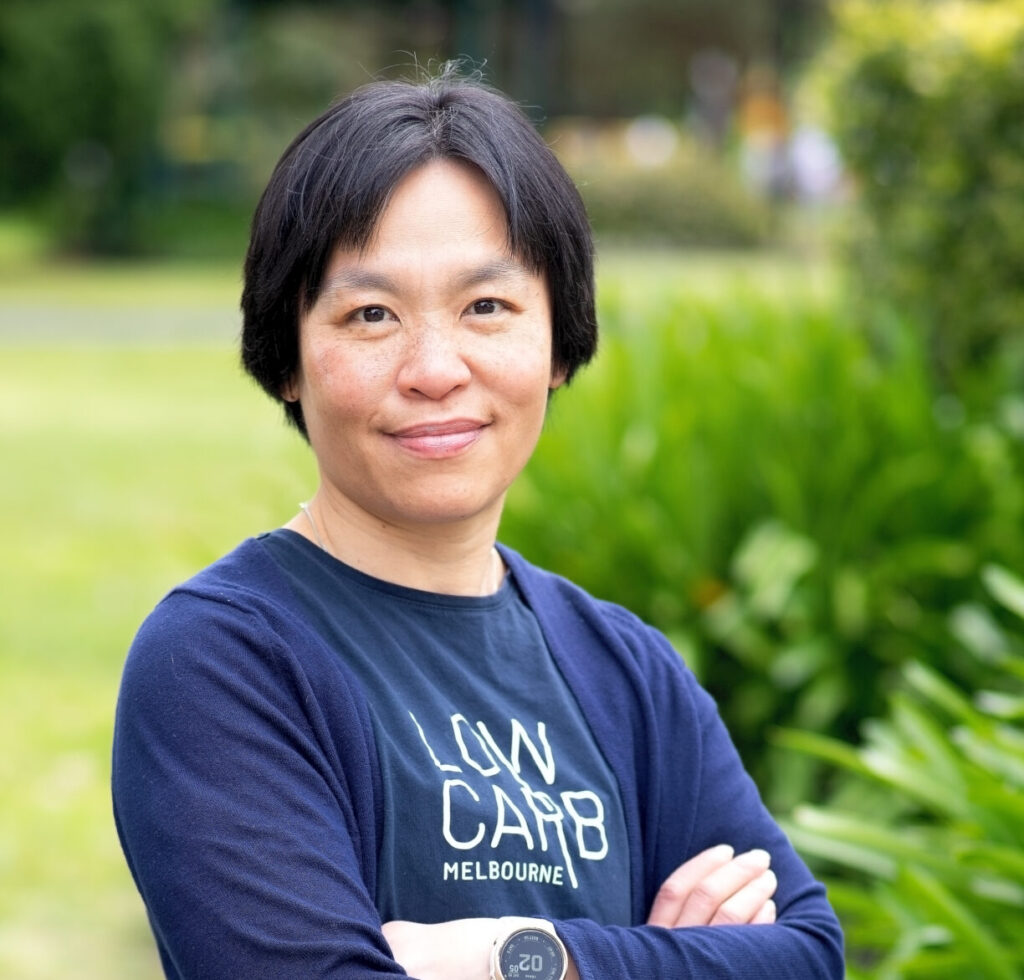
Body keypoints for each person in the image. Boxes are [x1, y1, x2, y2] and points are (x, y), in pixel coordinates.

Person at [112, 68, 844, 980]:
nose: (433, 368)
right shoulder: (222, 661)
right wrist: (670, 957)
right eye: (370, 314)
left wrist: (518, 955)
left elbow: (806, 955)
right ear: (288, 358)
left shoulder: (625, 670)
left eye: (486, 307)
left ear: (558, 348)